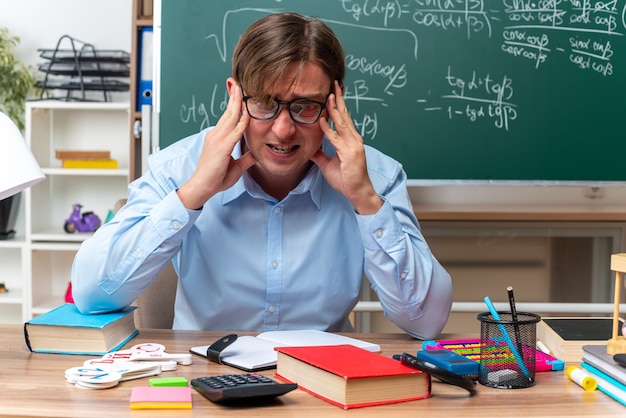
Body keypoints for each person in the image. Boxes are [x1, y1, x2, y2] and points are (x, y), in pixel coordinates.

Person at [71, 12, 452, 339]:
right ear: (235, 96)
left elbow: (427, 321)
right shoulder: (180, 167)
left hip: (322, 387)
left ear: (335, 103)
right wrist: (193, 194)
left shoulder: (375, 177)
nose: (283, 130)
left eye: (305, 107)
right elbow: (91, 293)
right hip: (203, 384)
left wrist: (367, 203)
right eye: (265, 104)